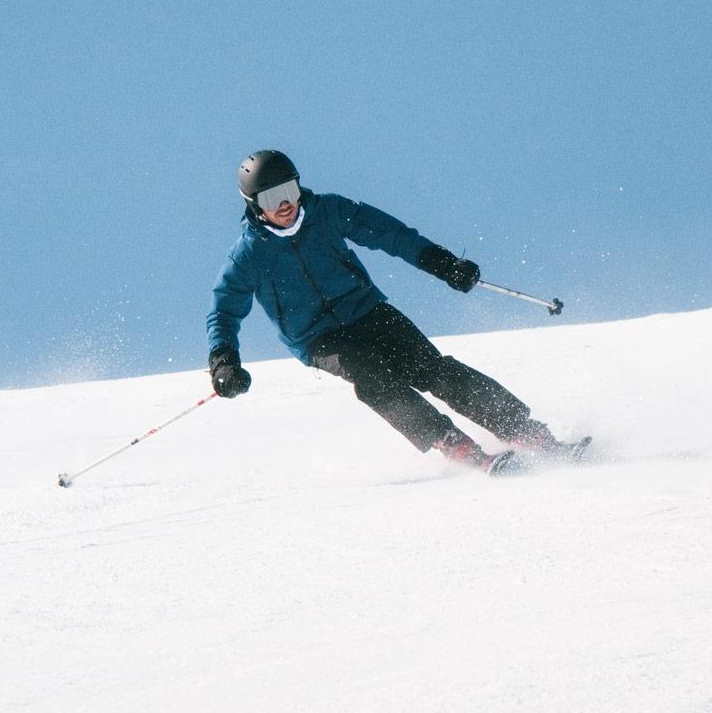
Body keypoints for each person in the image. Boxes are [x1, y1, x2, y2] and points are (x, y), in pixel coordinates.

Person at [205, 149, 580, 474]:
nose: (285, 204)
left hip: (367, 310)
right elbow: (223, 311)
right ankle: (456, 445)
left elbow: (388, 233)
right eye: (272, 197)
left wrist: (441, 262)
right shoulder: (248, 256)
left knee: (435, 370)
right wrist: (224, 361)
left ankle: (530, 433)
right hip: (318, 338)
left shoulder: (328, 211)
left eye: (289, 190)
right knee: (372, 379)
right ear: (254, 204)